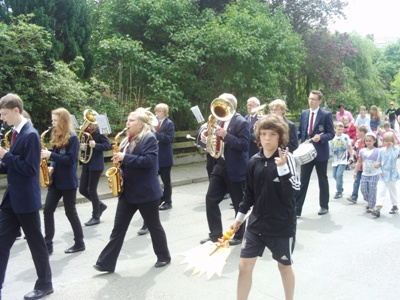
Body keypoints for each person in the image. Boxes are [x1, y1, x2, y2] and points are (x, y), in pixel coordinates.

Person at [230, 114, 300, 300]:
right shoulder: (254, 161)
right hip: (256, 223)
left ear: (280, 138)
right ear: (258, 137)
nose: (267, 138)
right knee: (244, 265)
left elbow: (293, 193)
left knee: (283, 266)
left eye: (272, 134)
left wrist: (283, 169)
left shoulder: (288, 159)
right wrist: (238, 220)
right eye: (263, 134)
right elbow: (249, 195)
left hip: (281, 225)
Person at [94, 108, 171, 272]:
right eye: (127, 120)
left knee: (154, 226)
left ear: (141, 124)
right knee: (118, 228)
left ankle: (164, 257)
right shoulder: (127, 140)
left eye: (131, 120)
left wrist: (125, 157)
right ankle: (105, 263)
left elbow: (149, 161)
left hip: (146, 193)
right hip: (128, 191)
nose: (127, 123)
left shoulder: (149, 138)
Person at [0, 93, 53, 300]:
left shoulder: (30, 134)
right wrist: (3, 162)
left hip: (26, 200)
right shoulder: (15, 132)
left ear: (16, 110)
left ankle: (45, 284)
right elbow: (14, 165)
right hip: (12, 198)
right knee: (2, 243)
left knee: (35, 243)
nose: (2, 119)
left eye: (4, 114)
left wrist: (5, 155)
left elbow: (29, 169)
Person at [200, 93, 249, 245]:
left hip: (235, 167)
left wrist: (226, 135)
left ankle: (239, 236)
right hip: (220, 165)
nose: (220, 106)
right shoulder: (219, 120)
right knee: (210, 199)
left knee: (238, 203)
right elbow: (215, 140)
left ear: (232, 105)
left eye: (224, 103)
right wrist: (205, 136)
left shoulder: (241, 121)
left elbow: (244, 145)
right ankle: (215, 234)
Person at [41, 108, 85, 255]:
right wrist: (51, 167)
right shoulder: (56, 135)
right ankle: (48, 244)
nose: (52, 123)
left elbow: (70, 160)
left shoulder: (73, 137)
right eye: (52, 120)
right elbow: (56, 159)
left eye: (55, 120)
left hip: (68, 182)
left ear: (63, 121)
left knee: (70, 213)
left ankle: (79, 242)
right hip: (56, 181)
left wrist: (50, 155)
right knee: (47, 211)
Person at [295, 90, 335, 217]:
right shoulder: (304, 113)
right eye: (309, 98)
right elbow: (301, 131)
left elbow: (331, 133)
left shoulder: (325, 114)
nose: (310, 101)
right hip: (306, 152)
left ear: (319, 101)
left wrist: (321, 138)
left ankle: (324, 206)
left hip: (320, 152)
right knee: (303, 180)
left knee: (322, 179)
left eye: (313, 99)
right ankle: (297, 209)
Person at [79, 122, 112, 226]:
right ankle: (100, 205)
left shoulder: (99, 133)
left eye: (90, 124)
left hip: (96, 165)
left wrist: (96, 145)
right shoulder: (84, 133)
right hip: (86, 163)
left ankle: (96, 216)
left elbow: (108, 146)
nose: (88, 125)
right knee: (82, 190)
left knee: (91, 190)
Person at [371, 132, 400, 218]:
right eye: (385, 140)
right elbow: (378, 161)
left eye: (388, 141)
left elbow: (393, 158)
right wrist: (379, 169)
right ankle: (378, 209)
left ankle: (395, 205)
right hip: (383, 175)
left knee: (392, 191)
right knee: (381, 191)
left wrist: (390, 148)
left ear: (392, 141)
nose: (386, 142)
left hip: (392, 175)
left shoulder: (396, 149)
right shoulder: (381, 150)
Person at [353, 132, 380, 213]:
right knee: (363, 190)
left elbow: (382, 161)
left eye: (370, 141)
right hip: (365, 174)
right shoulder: (362, 151)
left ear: (374, 141)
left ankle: (371, 206)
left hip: (374, 174)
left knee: (372, 190)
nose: (368, 142)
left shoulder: (378, 151)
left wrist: (380, 166)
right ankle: (370, 201)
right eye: (366, 141)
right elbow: (359, 162)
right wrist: (355, 172)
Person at [154, 103, 175, 211]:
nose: (157, 113)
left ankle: (168, 202)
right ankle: (161, 198)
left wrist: (155, 133)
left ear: (165, 112)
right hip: (155, 157)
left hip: (165, 157)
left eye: (159, 111)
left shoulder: (169, 123)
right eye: (156, 111)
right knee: (153, 179)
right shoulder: (154, 123)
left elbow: (169, 139)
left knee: (166, 181)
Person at [330, 122, 353, 199]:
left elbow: (349, 147)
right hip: (335, 159)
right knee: (334, 175)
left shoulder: (345, 137)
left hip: (343, 159)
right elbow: (329, 147)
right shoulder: (332, 137)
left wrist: (351, 157)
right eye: (338, 129)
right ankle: (340, 186)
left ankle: (339, 192)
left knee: (339, 174)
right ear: (335, 129)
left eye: (341, 129)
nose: (340, 131)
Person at [346, 125, 368, 203]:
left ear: (362, 132)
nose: (356, 133)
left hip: (367, 167)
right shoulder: (358, 142)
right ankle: (354, 197)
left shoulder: (368, 141)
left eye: (357, 132)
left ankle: (368, 197)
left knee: (365, 184)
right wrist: (351, 161)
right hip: (359, 166)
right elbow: (355, 152)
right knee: (356, 181)